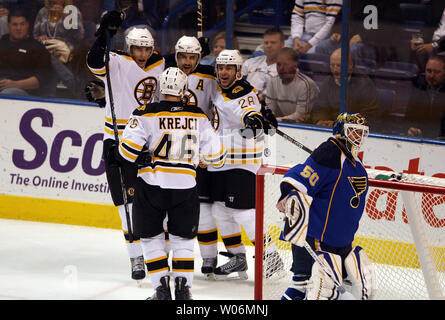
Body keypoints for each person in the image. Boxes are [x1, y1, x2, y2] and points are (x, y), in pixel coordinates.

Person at [116, 67, 226, 300]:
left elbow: (126, 153)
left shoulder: (145, 112)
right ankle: (183, 289)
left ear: (159, 89)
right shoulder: (198, 116)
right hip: (185, 188)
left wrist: (143, 153)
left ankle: (161, 289)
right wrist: (200, 158)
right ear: (184, 90)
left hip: (151, 185)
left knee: (151, 238)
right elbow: (218, 156)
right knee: (183, 240)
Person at [86, 10, 164, 284]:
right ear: (128, 47)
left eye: (146, 49)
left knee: (154, 200)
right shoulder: (115, 61)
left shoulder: (161, 65)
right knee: (126, 206)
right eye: (137, 49)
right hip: (117, 141)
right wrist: (104, 34)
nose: (142, 54)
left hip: (149, 142)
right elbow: (94, 60)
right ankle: (136, 257)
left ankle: (157, 253)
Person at [276, 112, 375, 300]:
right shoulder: (329, 152)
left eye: (362, 132)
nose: (358, 136)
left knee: (330, 290)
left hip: (340, 240)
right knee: (306, 287)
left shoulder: (353, 159)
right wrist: (287, 192)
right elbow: (302, 176)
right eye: (353, 131)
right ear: (341, 131)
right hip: (317, 237)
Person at [209, 49, 274, 280]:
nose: (224, 72)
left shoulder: (242, 91)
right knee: (219, 210)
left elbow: (247, 109)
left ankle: (271, 257)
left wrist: (253, 118)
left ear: (238, 71)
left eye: (229, 68)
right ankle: (238, 258)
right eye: (221, 67)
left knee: (244, 212)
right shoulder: (219, 88)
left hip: (244, 162)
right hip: (224, 161)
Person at [168, 35, 222, 279]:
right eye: (182, 56)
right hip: (173, 150)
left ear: (200, 57)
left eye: (193, 57)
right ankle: (167, 256)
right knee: (171, 207)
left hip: (199, 149)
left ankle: (209, 256)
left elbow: (223, 103)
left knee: (203, 207)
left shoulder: (210, 76)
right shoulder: (166, 73)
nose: (187, 62)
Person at [310, 48, 379, 127]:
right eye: (332, 65)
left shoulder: (365, 84)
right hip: (330, 128)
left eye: (339, 65)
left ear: (350, 65)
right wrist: (321, 120)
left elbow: (369, 115)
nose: (335, 69)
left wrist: (340, 124)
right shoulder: (328, 81)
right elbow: (320, 107)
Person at [33, 0, 85, 97]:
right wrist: (40, 37)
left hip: (65, 48)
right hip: (46, 46)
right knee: (49, 57)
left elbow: (79, 37)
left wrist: (66, 18)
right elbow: (35, 34)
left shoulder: (72, 11)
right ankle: (73, 84)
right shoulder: (43, 11)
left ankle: (49, 95)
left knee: (50, 59)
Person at [0, 8, 52, 97]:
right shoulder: (2, 42)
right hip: (2, 84)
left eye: (22, 24)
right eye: (14, 24)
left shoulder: (37, 48)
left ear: (27, 25)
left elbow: (41, 79)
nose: (18, 28)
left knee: (7, 93)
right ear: (8, 26)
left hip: (23, 92)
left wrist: (14, 84)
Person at [264, 47, 319, 123]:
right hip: (285, 124)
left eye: (285, 65)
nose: (281, 68)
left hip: (309, 126)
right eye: (278, 64)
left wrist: (276, 120)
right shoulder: (273, 82)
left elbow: (301, 116)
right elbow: (269, 110)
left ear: (295, 66)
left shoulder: (305, 84)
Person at [404, 55, 445, 140]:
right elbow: (408, 119)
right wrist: (410, 129)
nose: (432, 76)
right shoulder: (418, 90)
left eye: (437, 72)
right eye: (429, 71)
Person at [241, 28, 284, 98]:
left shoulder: (288, 69)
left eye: (273, 42)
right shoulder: (249, 63)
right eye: (266, 43)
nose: (269, 45)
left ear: (282, 45)